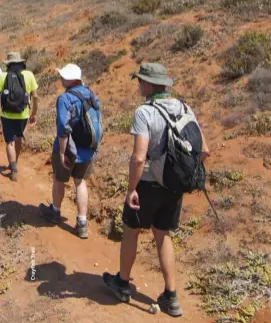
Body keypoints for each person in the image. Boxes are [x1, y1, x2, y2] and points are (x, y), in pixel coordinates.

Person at [103, 62, 210, 317]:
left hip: (148, 184)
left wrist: (131, 190)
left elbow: (139, 158)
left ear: (149, 85)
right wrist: (180, 176)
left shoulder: (144, 112)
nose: (139, 85)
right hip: (173, 187)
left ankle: (122, 282)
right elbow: (205, 151)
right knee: (163, 235)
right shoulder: (185, 107)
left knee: (131, 230)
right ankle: (171, 297)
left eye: (140, 81)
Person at [38, 63, 102, 239]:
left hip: (69, 149)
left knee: (59, 179)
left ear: (69, 80)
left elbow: (63, 129)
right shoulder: (91, 94)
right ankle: (82, 223)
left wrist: (61, 152)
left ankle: (55, 212)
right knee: (80, 182)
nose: (61, 79)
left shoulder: (65, 99)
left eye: (63, 77)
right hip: (87, 151)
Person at [0, 51, 38, 182]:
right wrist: (33, 114)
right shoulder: (29, 75)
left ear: (8, 64)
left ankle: (14, 169)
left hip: (6, 114)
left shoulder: (3, 76)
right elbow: (35, 96)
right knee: (18, 138)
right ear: (21, 63)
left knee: (9, 141)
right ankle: (14, 162)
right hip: (23, 114)